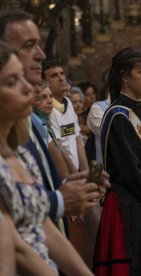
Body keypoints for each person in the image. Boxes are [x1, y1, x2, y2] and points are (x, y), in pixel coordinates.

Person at [0, 9, 109, 232]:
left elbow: (37, 188)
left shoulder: (29, 121)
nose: (41, 54)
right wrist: (60, 198)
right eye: (29, 45)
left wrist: (75, 183)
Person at [0, 40, 93, 275]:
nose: (27, 89)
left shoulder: (18, 147)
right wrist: (63, 195)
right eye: (12, 81)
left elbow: (40, 222)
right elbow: (15, 248)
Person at [94, 47, 141, 275]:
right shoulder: (117, 114)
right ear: (124, 76)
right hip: (127, 204)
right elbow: (133, 171)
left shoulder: (135, 112)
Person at [42, 59, 89, 173]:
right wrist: (76, 176)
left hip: (76, 173)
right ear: (45, 82)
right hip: (64, 175)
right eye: (54, 75)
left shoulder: (68, 102)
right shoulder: (47, 108)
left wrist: (87, 174)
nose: (61, 78)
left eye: (62, 73)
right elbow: (59, 149)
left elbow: (77, 141)